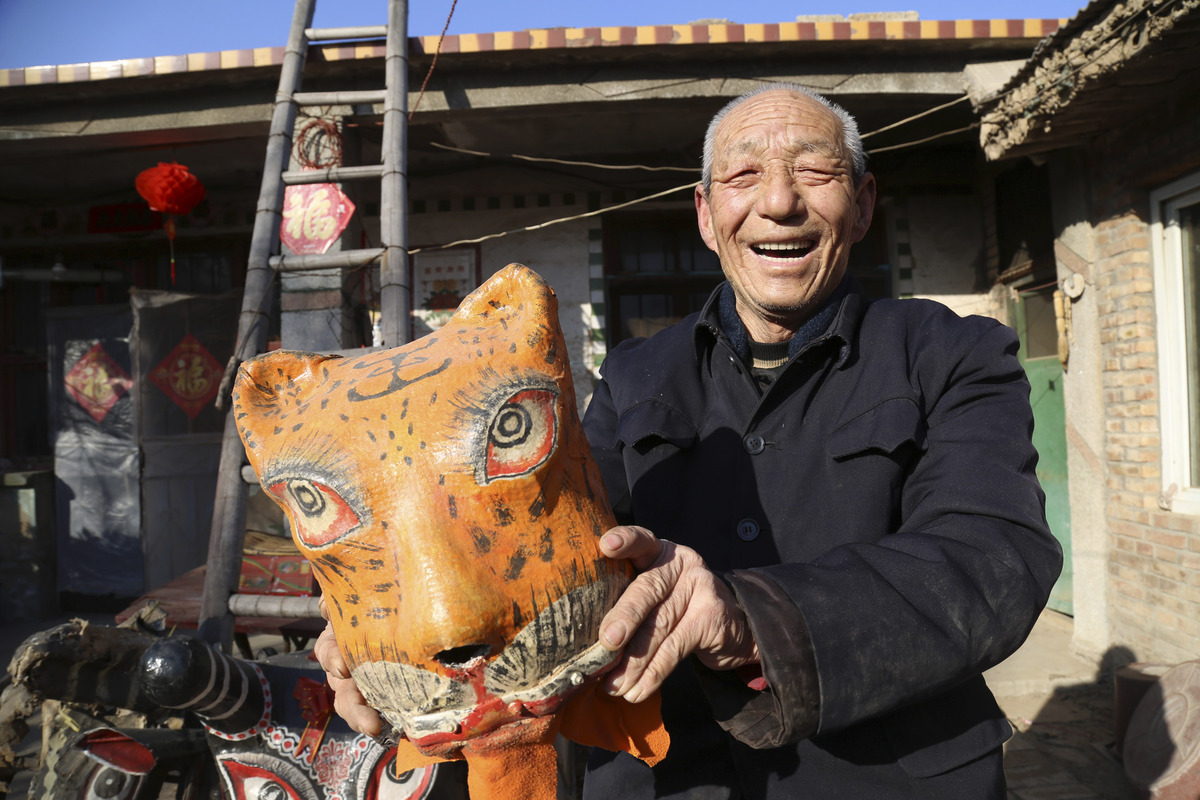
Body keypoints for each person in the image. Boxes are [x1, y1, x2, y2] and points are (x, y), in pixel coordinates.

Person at [317, 82, 1062, 799]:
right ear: (706, 216)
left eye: (815, 171)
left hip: (891, 777)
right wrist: (392, 618)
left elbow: (994, 559)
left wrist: (746, 619)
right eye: (744, 175)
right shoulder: (637, 373)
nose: (778, 202)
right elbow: (546, 536)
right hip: (663, 776)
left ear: (863, 205)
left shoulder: (953, 353)